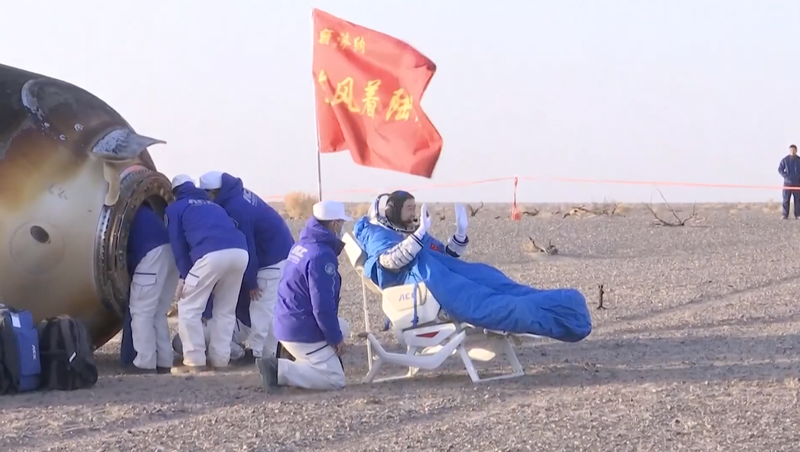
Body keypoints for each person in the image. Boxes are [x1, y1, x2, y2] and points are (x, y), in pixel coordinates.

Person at [353, 192, 592, 343]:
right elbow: (388, 262)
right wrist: (418, 236)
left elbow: (446, 256)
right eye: (408, 208)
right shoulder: (378, 234)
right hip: (432, 286)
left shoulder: (407, 233)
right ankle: (566, 316)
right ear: (390, 211)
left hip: (450, 274)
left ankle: (565, 305)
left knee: (502, 285)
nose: (413, 213)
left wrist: (460, 234)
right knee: (500, 303)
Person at [257, 200, 352, 392]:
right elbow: (322, 305)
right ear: (334, 224)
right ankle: (279, 370)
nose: (342, 228)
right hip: (299, 328)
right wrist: (335, 340)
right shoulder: (321, 255)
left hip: (285, 321)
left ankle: (299, 356)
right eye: (341, 223)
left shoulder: (302, 245)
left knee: (344, 327)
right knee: (335, 379)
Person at [198, 171, 294, 359]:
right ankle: (269, 351)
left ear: (213, 193)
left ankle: (259, 353)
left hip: (271, 257)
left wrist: (251, 282)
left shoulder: (235, 208)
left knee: (262, 304)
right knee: (269, 306)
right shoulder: (236, 194)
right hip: (279, 249)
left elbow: (246, 244)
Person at [166, 174, 250, 373]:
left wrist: (185, 277)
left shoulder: (176, 208)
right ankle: (221, 361)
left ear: (175, 192)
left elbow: (178, 246)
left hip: (211, 255)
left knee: (188, 307)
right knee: (225, 310)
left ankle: (194, 361)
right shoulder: (214, 206)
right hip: (240, 253)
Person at [120, 203, 180, 375]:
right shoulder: (148, 214)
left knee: (141, 311)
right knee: (158, 312)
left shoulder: (126, 211)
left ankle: (144, 363)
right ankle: (164, 361)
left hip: (152, 256)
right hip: (171, 254)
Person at [778, 144, 800, 219]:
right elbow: (780, 169)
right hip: (787, 183)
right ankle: (784, 215)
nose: (792, 152)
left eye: (794, 150)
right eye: (791, 150)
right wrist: (786, 176)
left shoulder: (799, 160)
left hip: (797, 184)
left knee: (798, 200)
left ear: (796, 151)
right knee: (785, 199)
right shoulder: (785, 160)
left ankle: (798, 215)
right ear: (789, 150)